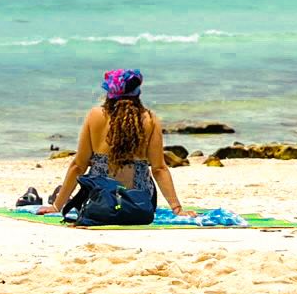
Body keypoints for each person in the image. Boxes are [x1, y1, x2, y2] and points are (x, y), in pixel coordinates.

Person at [41, 67, 188, 221]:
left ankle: (60, 196)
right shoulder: (150, 119)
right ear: (137, 93)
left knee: (84, 186)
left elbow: (78, 165)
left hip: (100, 202)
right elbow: (159, 169)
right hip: (139, 205)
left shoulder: (95, 115)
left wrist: (57, 206)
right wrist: (177, 209)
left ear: (109, 93)